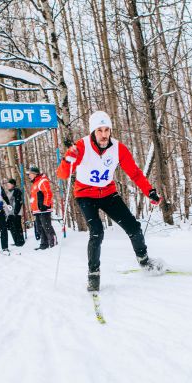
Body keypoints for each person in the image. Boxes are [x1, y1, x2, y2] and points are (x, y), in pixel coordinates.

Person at [57, 111, 162, 292]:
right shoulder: (81, 147)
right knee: (97, 231)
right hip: (85, 194)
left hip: (107, 193)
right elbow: (62, 175)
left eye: (107, 130)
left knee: (134, 227)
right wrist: (68, 159)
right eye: (100, 130)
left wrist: (149, 191)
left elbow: (134, 173)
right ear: (93, 131)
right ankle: (93, 274)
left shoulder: (118, 148)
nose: (104, 134)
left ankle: (144, 261)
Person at [28, 166, 57, 250]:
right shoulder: (35, 183)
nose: (29, 176)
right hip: (37, 210)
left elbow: (48, 193)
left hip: (43, 209)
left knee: (47, 227)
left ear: (34, 174)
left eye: (30, 174)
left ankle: (53, 243)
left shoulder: (42, 181)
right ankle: (44, 244)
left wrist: (45, 205)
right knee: (40, 228)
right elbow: (34, 198)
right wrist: (33, 208)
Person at [5, 178, 25, 247]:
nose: (8, 185)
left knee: (17, 227)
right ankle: (16, 241)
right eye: (7, 184)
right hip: (10, 213)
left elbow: (18, 201)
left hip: (15, 213)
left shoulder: (16, 191)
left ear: (13, 185)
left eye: (9, 184)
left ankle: (20, 242)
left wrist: (15, 212)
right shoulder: (9, 192)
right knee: (11, 227)